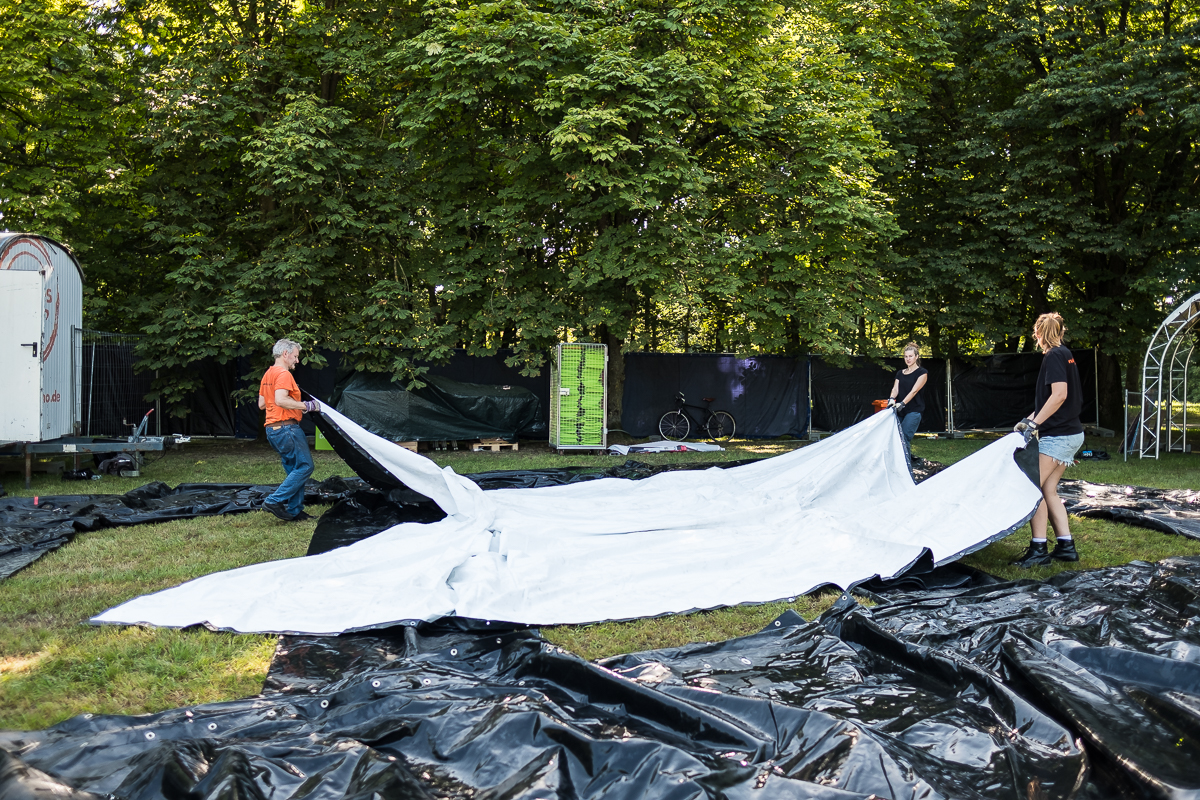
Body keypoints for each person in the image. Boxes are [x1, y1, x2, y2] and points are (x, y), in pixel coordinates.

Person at [1011, 313, 1084, 568]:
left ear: (1038, 334)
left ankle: (1039, 549)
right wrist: (1029, 419)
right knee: (1047, 490)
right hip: (1071, 432)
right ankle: (1066, 546)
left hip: (1059, 436)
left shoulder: (1053, 355)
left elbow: (1059, 395)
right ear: (1061, 332)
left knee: (1031, 488)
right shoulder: (1065, 353)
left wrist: (1034, 423)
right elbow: (1049, 402)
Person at [258, 338, 320, 522]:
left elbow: (262, 404)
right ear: (285, 354)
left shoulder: (268, 374)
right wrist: (307, 406)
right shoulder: (284, 374)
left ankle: (294, 511)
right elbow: (280, 400)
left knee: (295, 470)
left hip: (273, 430)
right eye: (295, 356)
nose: (297, 360)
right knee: (306, 466)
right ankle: (273, 501)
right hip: (287, 429)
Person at [887, 342, 928, 446]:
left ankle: (906, 462)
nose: (908, 359)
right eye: (906, 356)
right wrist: (892, 398)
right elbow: (895, 388)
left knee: (904, 437)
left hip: (914, 410)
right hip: (900, 410)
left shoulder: (922, 372)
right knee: (894, 437)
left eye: (910, 356)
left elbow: (914, 391)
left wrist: (902, 403)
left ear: (916, 356)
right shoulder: (900, 373)